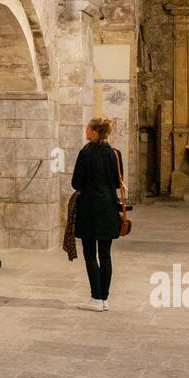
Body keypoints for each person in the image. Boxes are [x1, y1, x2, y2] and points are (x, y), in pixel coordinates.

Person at [70, 117, 126, 312]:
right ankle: (105, 299)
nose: (86, 131)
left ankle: (96, 298)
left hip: (90, 208)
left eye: (87, 129)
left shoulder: (85, 153)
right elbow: (119, 183)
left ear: (94, 132)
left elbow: (76, 183)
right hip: (109, 207)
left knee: (90, 255)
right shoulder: (115, 153)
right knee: (105, 254)